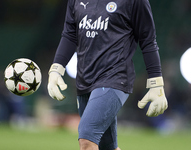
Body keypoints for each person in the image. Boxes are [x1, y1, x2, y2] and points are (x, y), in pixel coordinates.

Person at [47, 0, 168, 150]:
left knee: (86, 139)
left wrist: (156, 83)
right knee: (108, 147)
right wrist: (56, 68)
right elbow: (70, 34)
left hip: (115, 77)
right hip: (84, 79)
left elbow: (148, 40)